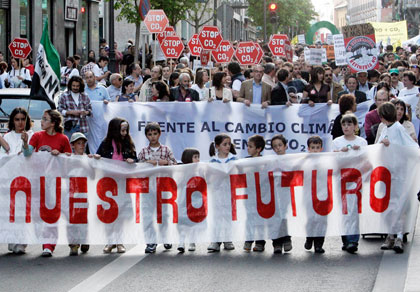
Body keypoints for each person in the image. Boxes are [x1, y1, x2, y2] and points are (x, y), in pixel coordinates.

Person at [22, 109, 72, 257]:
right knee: (38, 213)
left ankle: (49, 244)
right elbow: (27, 154)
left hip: (54, 181)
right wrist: (25, 143)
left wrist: (61, 155)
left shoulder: (63, 139)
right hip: (38, 179)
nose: (41, 122)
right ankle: (42, 237)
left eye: (44, 119)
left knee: (51, 212)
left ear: (53, 123)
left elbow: (70, 158)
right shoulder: (37, 136)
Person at [376, 102, 419, 253]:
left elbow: (411, 148)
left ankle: (398, 236)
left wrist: (392, 145)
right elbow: (378, 147)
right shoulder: (386, 129)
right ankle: (390, 234)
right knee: (389, 206)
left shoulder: (398, 129)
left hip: (399, 173)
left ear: (383, 116)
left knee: (399, 206)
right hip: (387, 173)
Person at [96, 118, 137, 254]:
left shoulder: (128, 144)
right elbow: (99, 155)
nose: (125, 133)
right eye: (122, 130)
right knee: (109, 213)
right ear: (115, 130)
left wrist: (132, 160)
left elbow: (135, 158)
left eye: (126, 130)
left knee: (121, 212)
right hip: (108, 184)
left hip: (122, 183)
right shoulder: (106, 144)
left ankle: (119, 241)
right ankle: (110, 241)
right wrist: (96, 157)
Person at [138, 122, 177, 253]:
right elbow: (137, 167)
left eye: (155, 134)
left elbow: (175, 164)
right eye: (150, 134)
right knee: (148, 215)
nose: (153, 137)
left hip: (163, 186)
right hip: (148, 188)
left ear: (159, 134)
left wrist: (165, 162)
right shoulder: (143, 152)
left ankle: (165, 237)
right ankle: (151, 241)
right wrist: (146, 164)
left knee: (164, 214)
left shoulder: (166, 150)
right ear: (146, 136)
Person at [332, 113, 367, 254]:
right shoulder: (337, 142)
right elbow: (333, 159)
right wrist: (340, 152)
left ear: (355, 126)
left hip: (356, 179)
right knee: (344, 209)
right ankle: (345, 238)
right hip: (342, 179)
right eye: (344, 125)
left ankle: (353, 240)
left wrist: (361, 151)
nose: (346, 127)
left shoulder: (362, 142)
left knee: (354, 210)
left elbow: (366, 159)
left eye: (349, 124)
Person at [1, 108, 32, 254]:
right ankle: (12, 241)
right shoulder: (7, 137)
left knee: (22, 212)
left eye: (22, 119)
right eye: (17, 119)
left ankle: (21, 243)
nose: (20, 123)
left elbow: (31, 155)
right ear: (12, 121)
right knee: (10, 211)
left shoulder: (31, 135)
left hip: (26, 179)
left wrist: (25, 144)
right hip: (10, 179)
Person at [207, 133, 237, 252]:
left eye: (229, 144)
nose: (228, 146)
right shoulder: (212, 161)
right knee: (216, 217)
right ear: (218, 146)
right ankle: (215, 240)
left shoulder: (234, 159)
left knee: (228, 216)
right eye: (225, 144)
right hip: (216, 193)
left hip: (230, 192)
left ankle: (228, 239)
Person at [66, 132, 95, 256]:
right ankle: (73, 243)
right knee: (72, 219)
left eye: (83, 143)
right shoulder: (68, 159)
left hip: (84, 192)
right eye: (79, 143)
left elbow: (93, 175)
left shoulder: (88, 159)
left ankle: (84, 239)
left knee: (84, 218)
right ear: (73, 145)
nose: (81, 146)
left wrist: (92, 162)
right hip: (72, 192)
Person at [243, 135, 268, 252]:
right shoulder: (245, 161)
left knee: (260, 219)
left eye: (250, 146)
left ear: (258, 149)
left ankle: (260, 241)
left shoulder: (265, 162)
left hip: (262, 195)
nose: (248, 148)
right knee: (250, 217)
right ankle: (248, 239)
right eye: (247, 146)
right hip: (249, 195)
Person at [270, 134, 293, 254]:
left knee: (285, 215)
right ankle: (277, 242)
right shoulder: (270, 161)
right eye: (275, 146)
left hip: (287, 192)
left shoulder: (291, 160)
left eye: (280, 145)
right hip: (274, 193)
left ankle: (287, 238)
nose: (278, 148)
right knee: (276, 215)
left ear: (285, 146)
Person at [304, 136, 326, 254]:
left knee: (322, 220)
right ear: (308, 148)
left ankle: (319, 244)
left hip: (323, 195)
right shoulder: (305, 161)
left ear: (321, 148)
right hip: (308, 196)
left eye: (317, 148)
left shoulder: (326, 160)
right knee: (311, 218)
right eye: (313, 148)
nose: (315, 150)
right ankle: (309, 237)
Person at [177, 148, 200, 253]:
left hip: (194, 199)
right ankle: (181, 241)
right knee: (182, 221)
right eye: (195, 157)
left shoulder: (199, 171)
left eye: (198, 157)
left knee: (193, 221)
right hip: (183, 199)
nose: (197, 159)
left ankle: (192, 241)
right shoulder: (181, 171)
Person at [57, 76, 92, 140]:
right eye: (73, 86)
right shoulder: (64, 96)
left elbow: (90, 109)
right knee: (69, 148)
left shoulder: (85, 96)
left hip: (83, 126)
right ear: (70, 85)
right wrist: (70, 112)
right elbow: (59, 110)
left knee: (82, 148)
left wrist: (85, 112)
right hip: (70, 127)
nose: (75, 88)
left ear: (80, 86)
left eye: (77, 86)